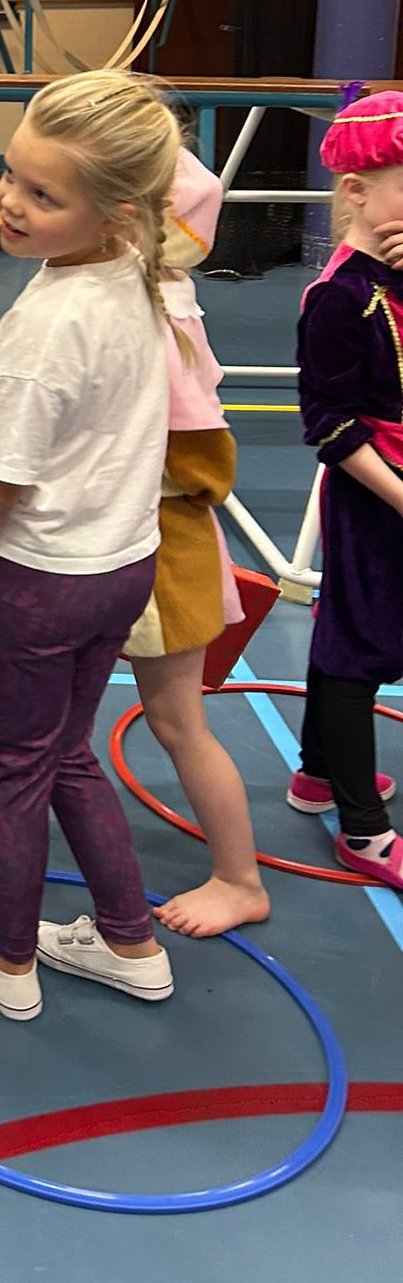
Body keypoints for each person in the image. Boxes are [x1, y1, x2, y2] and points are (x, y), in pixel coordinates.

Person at [0, 148, 270, 938]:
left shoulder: (150, 306)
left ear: (123, 217)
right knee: (45, 720)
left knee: (175, 717)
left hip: (146, 539)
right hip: (112, 535)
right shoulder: (99, 280)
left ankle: (239, 877)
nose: (14, 201)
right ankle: (20, 789)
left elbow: (197, 456)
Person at [0, 71, 178, 1022]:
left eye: (42, 195)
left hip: (41, 578)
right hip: (123, 562)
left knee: (15, 766)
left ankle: (11, 959)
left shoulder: (43, 327)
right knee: (67, 749)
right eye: (11, 174)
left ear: (115, 212)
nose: (9, 201)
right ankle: (131, 941)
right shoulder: (141, 267)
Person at [292, 89, 403, 887]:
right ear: (359, 191)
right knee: (356, 648)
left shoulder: (393, 278)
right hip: (372, 495)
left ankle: (317, 773)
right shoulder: (339, 296)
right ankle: (363, 829)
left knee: (348, 631)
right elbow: (329, 426)